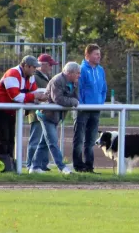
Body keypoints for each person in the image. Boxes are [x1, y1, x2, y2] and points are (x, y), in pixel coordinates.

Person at [0, 55, 47, 160]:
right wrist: (35, 96)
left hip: (9, 110)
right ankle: (3, 165)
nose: (35, 69)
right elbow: (16, 96)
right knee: (4, 139)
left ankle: (10, 164)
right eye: (34, 67)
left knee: (11, 139)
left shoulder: (31, 76)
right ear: (26, 66)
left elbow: (33, 93)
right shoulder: (12, 73)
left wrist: (40, 97)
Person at [31, 62, 81, 174]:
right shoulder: (57, 81)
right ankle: (62, 167)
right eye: (78, 73)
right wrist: (73, 102)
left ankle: (34, 167)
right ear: (70, 73)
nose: (79, 75)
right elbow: (58, 99)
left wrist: (74, 101)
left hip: (55, 116)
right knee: (53, 141)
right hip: (46, 115)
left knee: (44, 143)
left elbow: (75, 97)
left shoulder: (75, 82)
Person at [73, 44, 107, 174]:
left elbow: (104, 88)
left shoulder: (100, 70)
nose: (99, 56)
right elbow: (79, 89)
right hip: (83, 110)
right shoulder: (81, 69)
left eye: (99, 54)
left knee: (91, 140)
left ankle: (89, 166)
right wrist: (82, 104)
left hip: (95, 109)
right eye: (96, 54)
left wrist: (100, 102)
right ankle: (78, 166)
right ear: (87, 55)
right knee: (79, 138)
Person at [26, 54, 58, 171]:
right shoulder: (34, 77)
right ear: (42, 64)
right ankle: (30, 164)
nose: (51, 67)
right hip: (36, 113)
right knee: (35, 140)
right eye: (50, 65)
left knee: (44, 140)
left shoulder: (46, 76)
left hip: (45, 113)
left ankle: (42, 164)